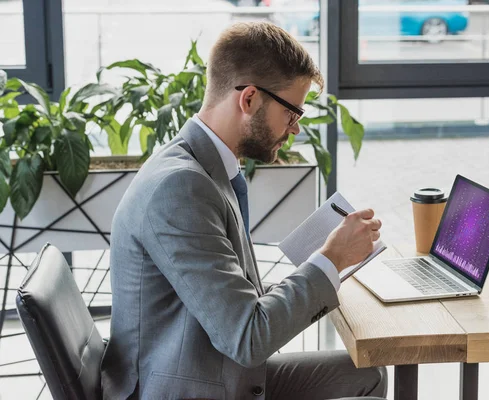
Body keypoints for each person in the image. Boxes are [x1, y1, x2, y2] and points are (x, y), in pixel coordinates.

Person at [101, 22, 386, 400]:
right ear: (249, 99)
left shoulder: (203, 166)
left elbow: (236, 301)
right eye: (291, 113)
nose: (295, 129)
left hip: (211, 367)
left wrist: (329, 265)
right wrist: (330, 259)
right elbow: (247, 337)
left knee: (368, 376)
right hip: (183, 386)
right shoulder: (180, 188)